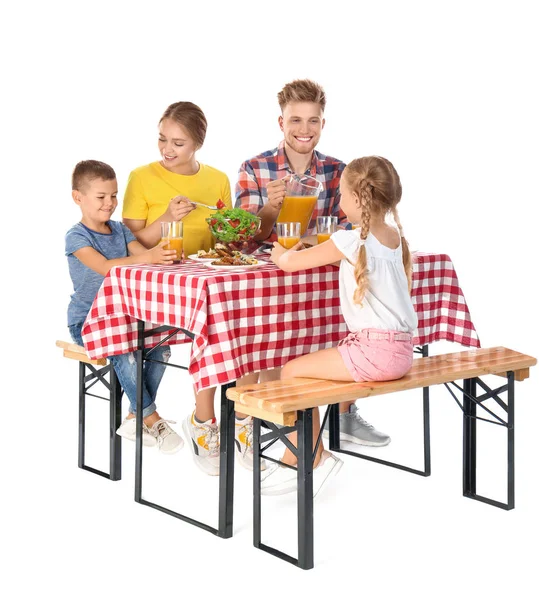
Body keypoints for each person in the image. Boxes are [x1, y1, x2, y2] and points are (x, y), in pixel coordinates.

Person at [235, 79, 392, 448]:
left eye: (313, 121)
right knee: (264, 348)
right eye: (296, 120)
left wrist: (315, 241)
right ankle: (253, 426)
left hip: (321, 274)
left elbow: (354, 227)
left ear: (323, 123)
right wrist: (271, 208)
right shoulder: (254, 168)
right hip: (271, 278)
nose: (304, 129)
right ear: (281, 123)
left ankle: (343, 414)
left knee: (352, 323)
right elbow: (243, 239)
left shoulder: (340, 171)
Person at [264, 156, 418, 496]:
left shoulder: (349, 240)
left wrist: (279, 254)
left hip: (375, 354)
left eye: (343, 195)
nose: (339, 200)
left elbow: (290, 264)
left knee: (290, 372)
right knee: (307, 367)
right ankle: (313, 453)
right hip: (402, 352)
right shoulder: (394, 237)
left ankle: (305, 456)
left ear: (358, 199)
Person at [122, 101, 257, 475]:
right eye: (163, 139)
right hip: (156, 282)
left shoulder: (216, 180)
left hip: (204, 279)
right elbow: (126, 241)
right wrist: (166, 217)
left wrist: (235, 237)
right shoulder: (141, 176)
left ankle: (243, 418)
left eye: (178, 143)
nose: (167, 149)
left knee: (250, 320)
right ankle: (204, 422)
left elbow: (226, 236)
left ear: (198, 143)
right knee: (215, 321)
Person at [65, 160, 184, 454]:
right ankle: (151, 417)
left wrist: (163, 256)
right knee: (126, 352)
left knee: (163, 344)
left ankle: (134, 416)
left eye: (114, 196)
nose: (110, 204)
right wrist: (149, 257)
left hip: (127, 319)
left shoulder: (120, 231)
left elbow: (145, 259)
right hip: (89, 323)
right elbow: (106, 267)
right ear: (78, 197)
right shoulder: (77, 236)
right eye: (101, 197)